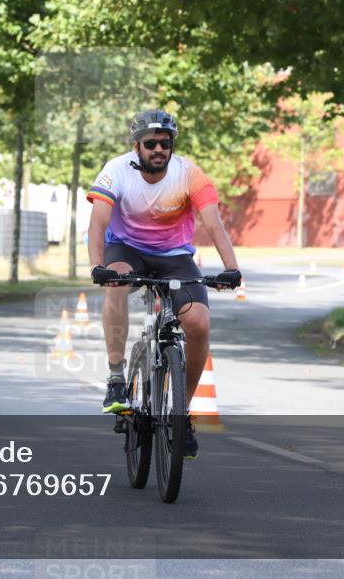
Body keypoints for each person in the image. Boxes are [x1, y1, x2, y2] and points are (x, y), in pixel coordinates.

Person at [87, 109, 242, 460]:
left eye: (165, 143)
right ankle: (115, 379)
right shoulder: (116, 170)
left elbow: (213, 223)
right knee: (116, 285)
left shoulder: (189, 174)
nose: (159, 149)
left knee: (199, 322)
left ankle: (180, 414)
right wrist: (98, 265)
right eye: (151, 143)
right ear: (136, 146)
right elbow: (98, 222)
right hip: (127, 249)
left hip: (175, 255)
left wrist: (231, 268)